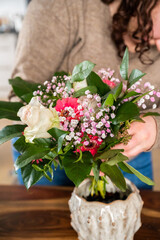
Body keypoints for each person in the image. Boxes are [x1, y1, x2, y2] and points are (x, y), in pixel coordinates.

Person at [10, 0, 160, 188]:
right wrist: (71, 142)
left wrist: (155, 127)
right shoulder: (63, 6)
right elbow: (22, 94)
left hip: (132, 155)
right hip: (52, 156)